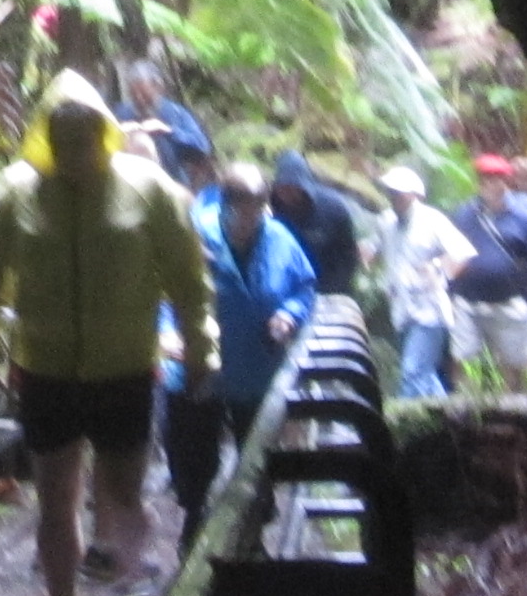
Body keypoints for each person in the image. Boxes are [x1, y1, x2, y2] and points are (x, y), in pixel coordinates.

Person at [0, 69, 219, 596]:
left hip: (124, 369)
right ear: (45, 134)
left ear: (103, 129)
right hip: (45, 372)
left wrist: (201, 348)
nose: (74, 143)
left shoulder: (147, 190)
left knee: (123, 498)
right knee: (56, 501)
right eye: (62, 132)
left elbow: (189, 277)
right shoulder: (14, 195)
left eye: (84, 130)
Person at [162, 161, 319, 540]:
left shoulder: (279, 239)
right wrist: (165, 332)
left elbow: (304, 287)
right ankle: (194, 516)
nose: (249, 220)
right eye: (241, 210)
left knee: (256, 451)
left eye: (257, 210)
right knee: (192, 449)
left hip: (255, 366)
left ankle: (255, 524)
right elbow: (163, 287)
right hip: (199, 365)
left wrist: (288, 315)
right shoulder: (196, 235)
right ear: (226, 204)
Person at [448, 151, 527, 390]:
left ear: (506, 182)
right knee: (462, 357)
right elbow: (451, 252)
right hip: (467, 302)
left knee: (517, 363)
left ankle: (515, 403)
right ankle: (464, 403)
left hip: (508, 301)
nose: (490, 185)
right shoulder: (464, 214)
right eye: (485, 180)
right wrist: (451, 288)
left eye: (496, 180)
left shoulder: (524, 218)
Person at [378, 163, 474, 398]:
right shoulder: (387, 221)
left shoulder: (432, 220)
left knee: (412, 372)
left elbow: (463, 252)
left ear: (414, 195)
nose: (394, 197)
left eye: (399, 193)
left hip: (429, 312)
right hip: (401, 310)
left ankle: (403, 417)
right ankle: (451, 413)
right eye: (391, 192)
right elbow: (377, 246)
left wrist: (438, 267)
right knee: (424, 376)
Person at [267, 147, 369, 295]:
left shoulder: (332, 209)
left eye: (291, 188)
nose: (286, 194)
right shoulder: (272, 211)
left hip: (329, 287)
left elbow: (347, 258)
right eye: (282, 188)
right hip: (289, 288)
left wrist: (331, 290)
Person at [113, 56, 211, 183]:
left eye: (144, 94)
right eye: (134, 94)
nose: (139, 99)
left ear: (158, 88)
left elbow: (202, 145)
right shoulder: (122, 112)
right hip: (133, 182)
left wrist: (168, 130)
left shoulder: (175, 112)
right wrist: (118, 132)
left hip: (173, 181)